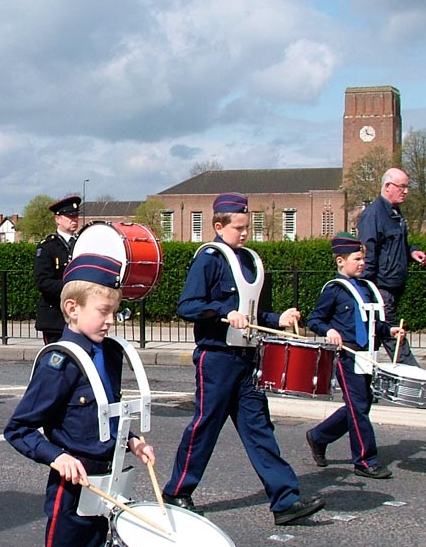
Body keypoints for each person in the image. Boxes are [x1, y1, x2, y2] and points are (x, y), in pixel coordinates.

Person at [5, 253, 209, 547]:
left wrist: (133, 439)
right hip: (73, 492)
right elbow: (18, 429)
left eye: (115, 311)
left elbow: (105, 411)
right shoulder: (60, 361)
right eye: (104, 311)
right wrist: (56, 457)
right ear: (73, 309)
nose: (111, 319)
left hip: (115, 484)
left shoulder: (110, 353)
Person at [161, 193, 324, 525]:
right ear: (219, 226)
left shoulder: (250, 260)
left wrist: (277, 317)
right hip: (217, 358)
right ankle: (176, 491)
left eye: (247, 227)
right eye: (239, 227)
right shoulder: (209, 258)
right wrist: (224, 311)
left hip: (248, 359)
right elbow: (187, 305)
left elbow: (253, 313)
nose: (245, 233)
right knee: (205, 427)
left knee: (260, 428)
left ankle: (285, 500)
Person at [305, 233, 402, 479]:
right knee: (358, 407)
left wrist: (389, 329)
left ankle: (318, 436)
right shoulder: (335, 290)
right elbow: (315, 320)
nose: (362, 263)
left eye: (363, 258)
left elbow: (373, 325)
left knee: (361, 404)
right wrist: (330, 330)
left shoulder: (367, 289)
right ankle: (365, 460)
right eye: (357, 259)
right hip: (347, 355)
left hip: (368, 355)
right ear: (340, 261)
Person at [357, 167, 425, 366]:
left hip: (393, 288)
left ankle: (364, 383)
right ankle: (416, 381)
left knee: (374, 339)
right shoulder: (374, 215)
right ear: (388, 187)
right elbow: (368, 253)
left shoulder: (396, 214)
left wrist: (411, 252)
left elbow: (395, 246)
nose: (406, 191)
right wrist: (367, 290)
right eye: (402, 187)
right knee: (394, 337)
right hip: (381, 289)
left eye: (407, 187)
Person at [34, 195, 82, 344]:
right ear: (58, 219)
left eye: (76, 216)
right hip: (55, 316)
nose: (74, 220)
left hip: (79, 316)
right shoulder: (48, 246)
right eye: (69, 216)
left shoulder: (82, 243)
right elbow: (43, 281)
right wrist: (72, 287)